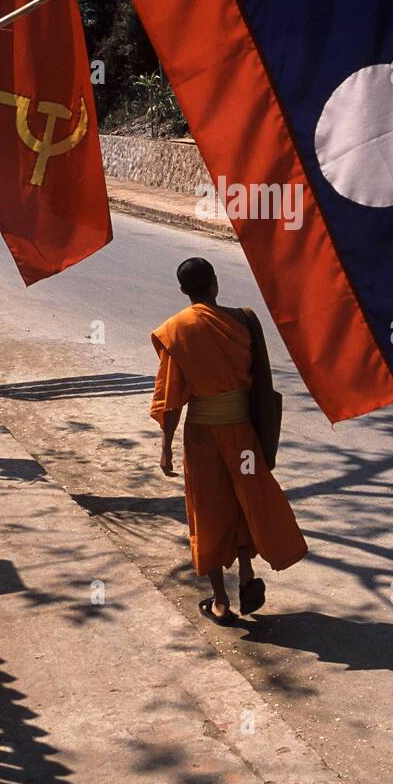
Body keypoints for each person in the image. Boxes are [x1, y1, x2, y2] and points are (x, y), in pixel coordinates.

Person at [150, 257, 307, 625]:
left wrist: (165, 445)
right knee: (246, 498)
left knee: (208, 509)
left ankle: (220, 600)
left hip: (203, 437)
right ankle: (248, 573)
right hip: (242, 434)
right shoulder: (242, 320)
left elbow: (171, 399)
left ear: (183, 291)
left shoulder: (178, 331)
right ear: (215, 284)